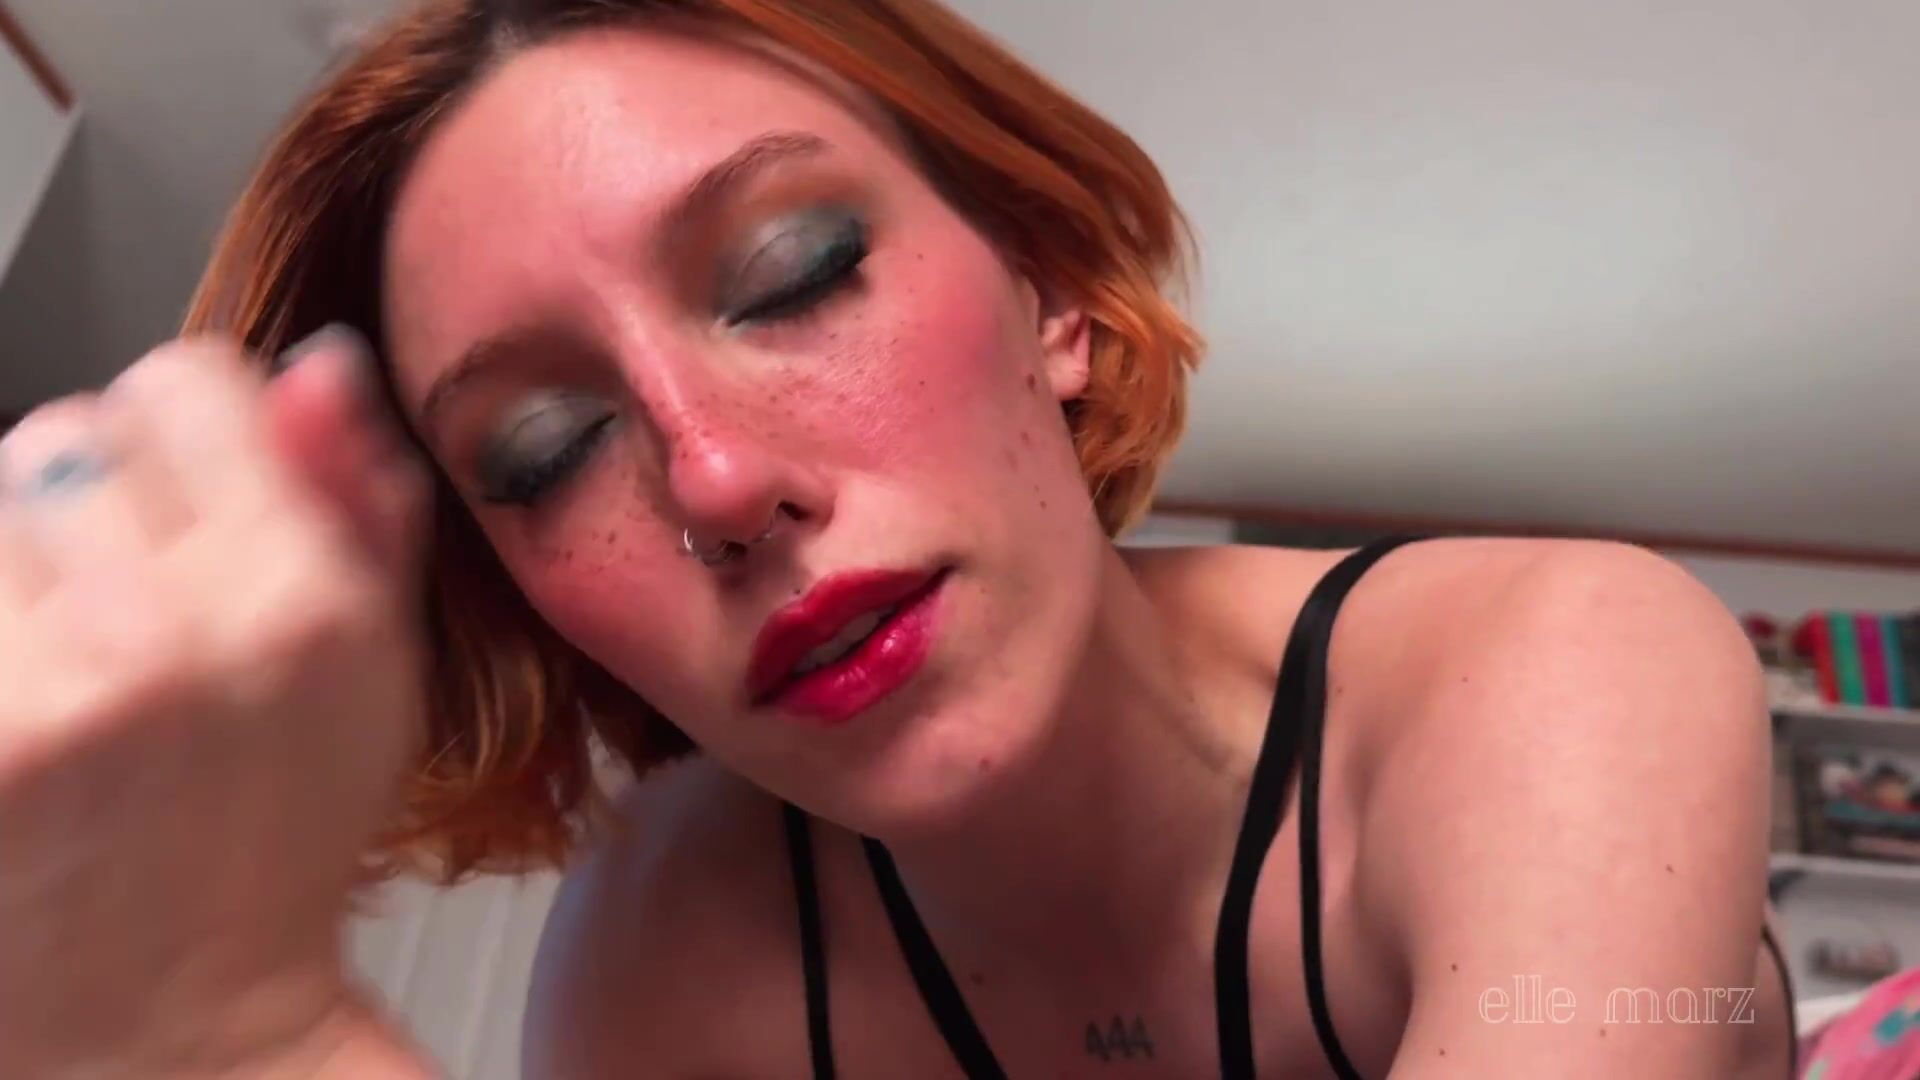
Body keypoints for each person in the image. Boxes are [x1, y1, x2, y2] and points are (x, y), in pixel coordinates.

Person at [0, 0, 1802, 1076]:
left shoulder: (1558, 669)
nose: (716, 480)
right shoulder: (663, 970)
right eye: (545, 451)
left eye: (793, 273)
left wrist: (253, 1045)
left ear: (1054, 294)